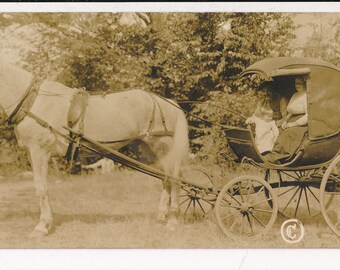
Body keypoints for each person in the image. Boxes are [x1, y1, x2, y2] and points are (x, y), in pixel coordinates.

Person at [265, 76, 309, 164]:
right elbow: (291, 111)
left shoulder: (307, 96)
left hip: (302, 124)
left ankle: (279, 156)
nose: (297, 85)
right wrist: (285, 121)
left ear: (305, 84)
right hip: (292, 119)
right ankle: (270, 152)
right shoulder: (295, 95)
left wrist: (293, 124)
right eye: (296, 83)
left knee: (289, 133)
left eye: (300, 83)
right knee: (278, 130)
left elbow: (308, 116)